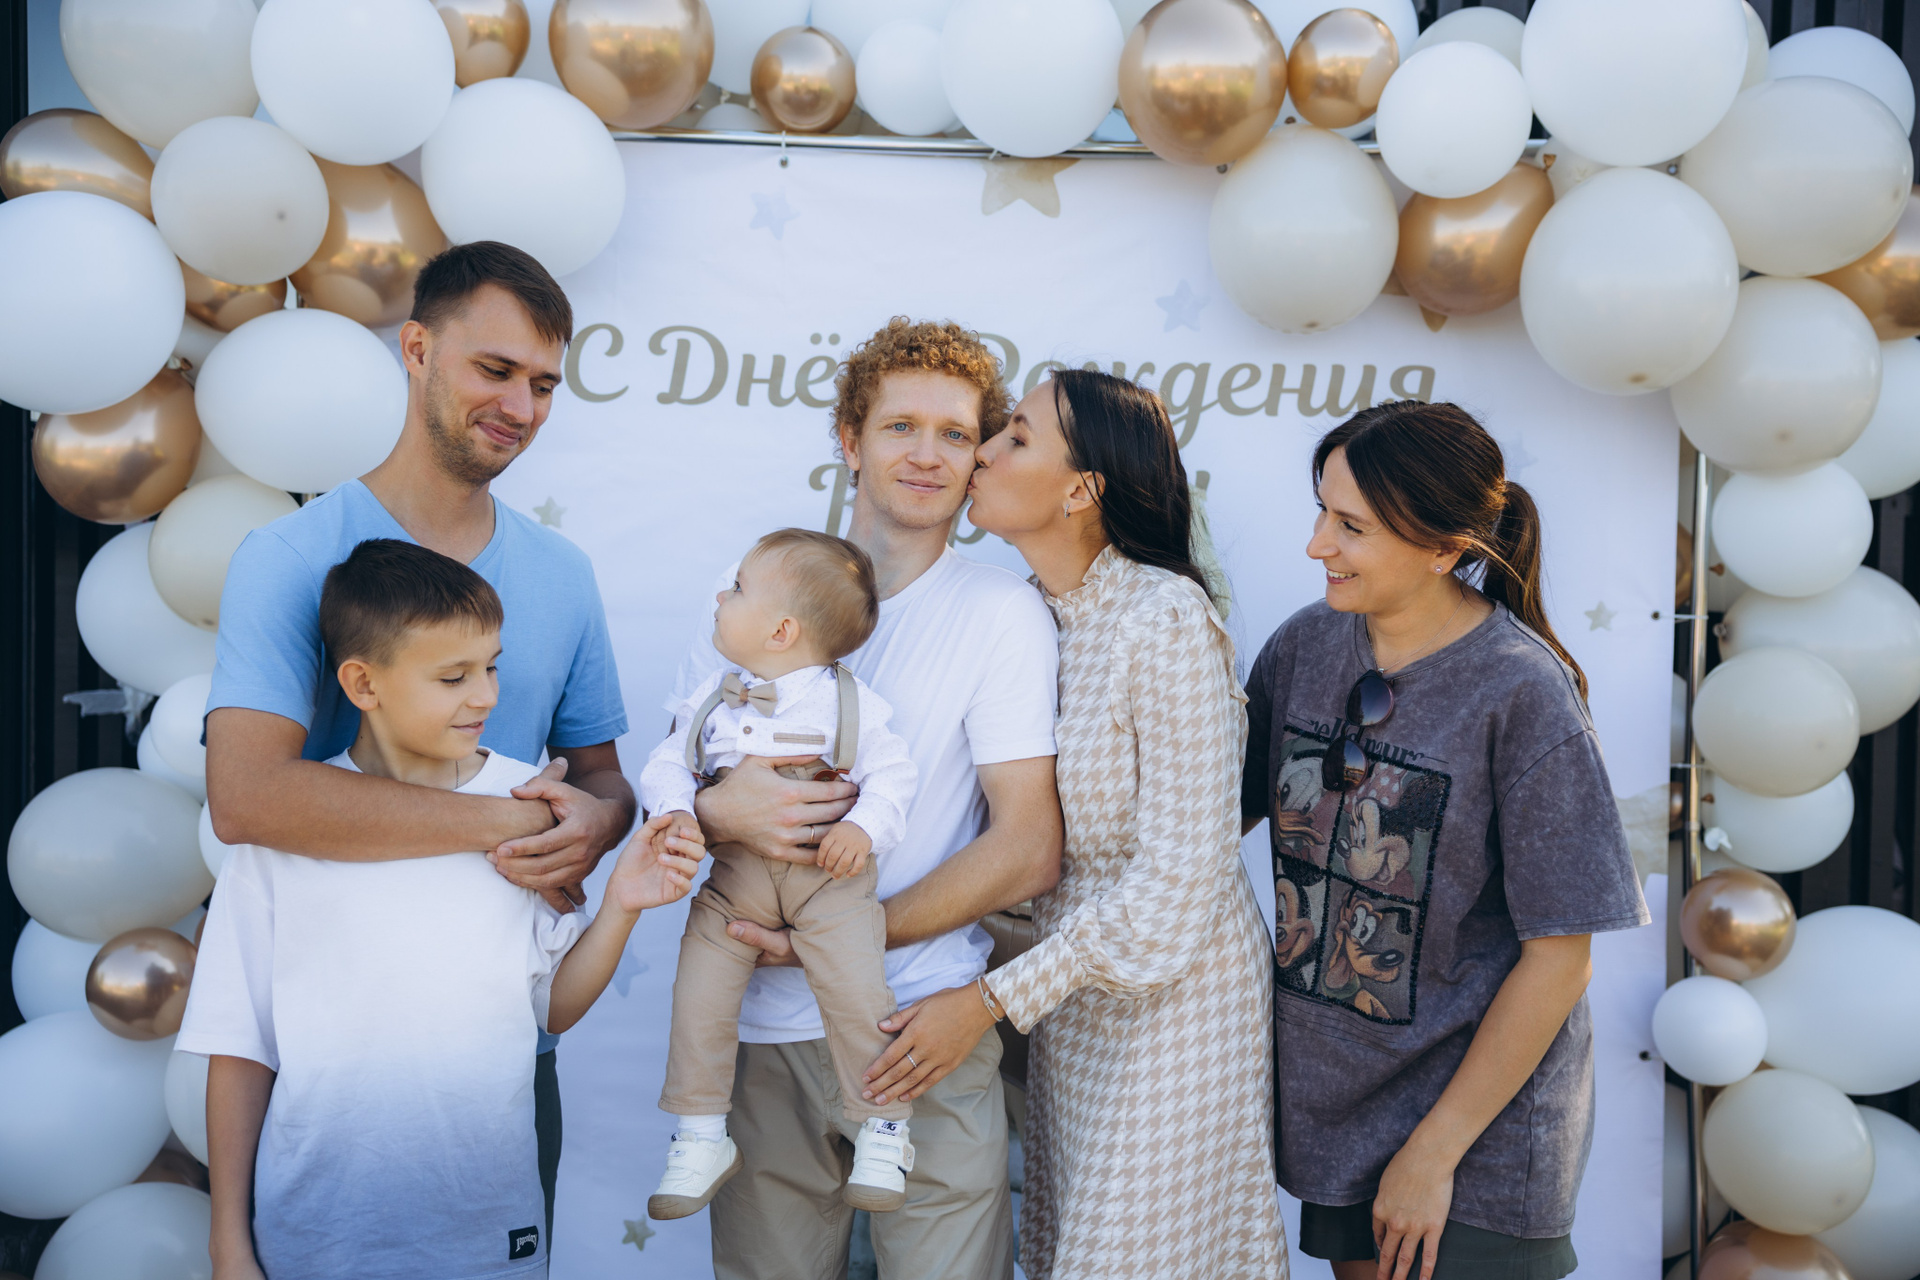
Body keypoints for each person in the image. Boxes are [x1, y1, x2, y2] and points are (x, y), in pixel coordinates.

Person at [202, 241, 635, 1232]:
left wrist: (598, 824)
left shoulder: (563, 574)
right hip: (330, 1056)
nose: (521, 406)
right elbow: (248, 796)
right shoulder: (290, 556)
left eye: (543, 385)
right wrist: (507, 823)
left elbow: (605, 780)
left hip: (502, 1057)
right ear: (416, 349)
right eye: (496, 369)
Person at [183, 540, 703, 1280]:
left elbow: (550, 1008)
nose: (486, 696)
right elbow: (240, 1049)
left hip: (487, 1231)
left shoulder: (534, 810)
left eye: (492, 667)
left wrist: (622, 902)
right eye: (454, 677)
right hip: (312, 1234)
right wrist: (227, 1241)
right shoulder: (281, 840)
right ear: (363, 683)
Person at [865, 370, 1286, 1279]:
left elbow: (1177, 887)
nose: (982, 453)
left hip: (1176, 1009)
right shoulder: (1033, 613)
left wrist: (986, 1002)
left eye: (1015, 437)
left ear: (1080, 490)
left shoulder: (1163, 618)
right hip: (1073, 1006)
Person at [672, 318, 1064, 1280]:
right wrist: (715, 814)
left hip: (921, 1029)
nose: (927, 455)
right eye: (900, 427)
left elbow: (1026, 847)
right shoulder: (745, 592)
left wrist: (838, 938)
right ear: (850, 441)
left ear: (978, 458)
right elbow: (677, 782)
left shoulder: (1000, 612)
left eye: (955, 434)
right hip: (763, 1030)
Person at [1243, 400, 1649, 1280]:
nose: (1317, 545)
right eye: (1321, 512)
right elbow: (1202, 820)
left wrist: (1434, 1153)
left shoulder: (1522, 692)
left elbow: (1561, 959)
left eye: (1351, 526)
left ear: (1443, 548)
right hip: (1340, 1114)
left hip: (1476, 1142)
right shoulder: (1305, 647)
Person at [643, 529, 919, 1220]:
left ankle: (884, 1127)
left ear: (781, 631)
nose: (719, 597)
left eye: (736, 589)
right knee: (699, 996)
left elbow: (894, 774)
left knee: (857, 990)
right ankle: (700, 1133)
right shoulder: (713, 698)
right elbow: (668, 762)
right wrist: (678, 811)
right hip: (735, 879)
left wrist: (864, 827)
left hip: (826, 876)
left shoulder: (846, 702)